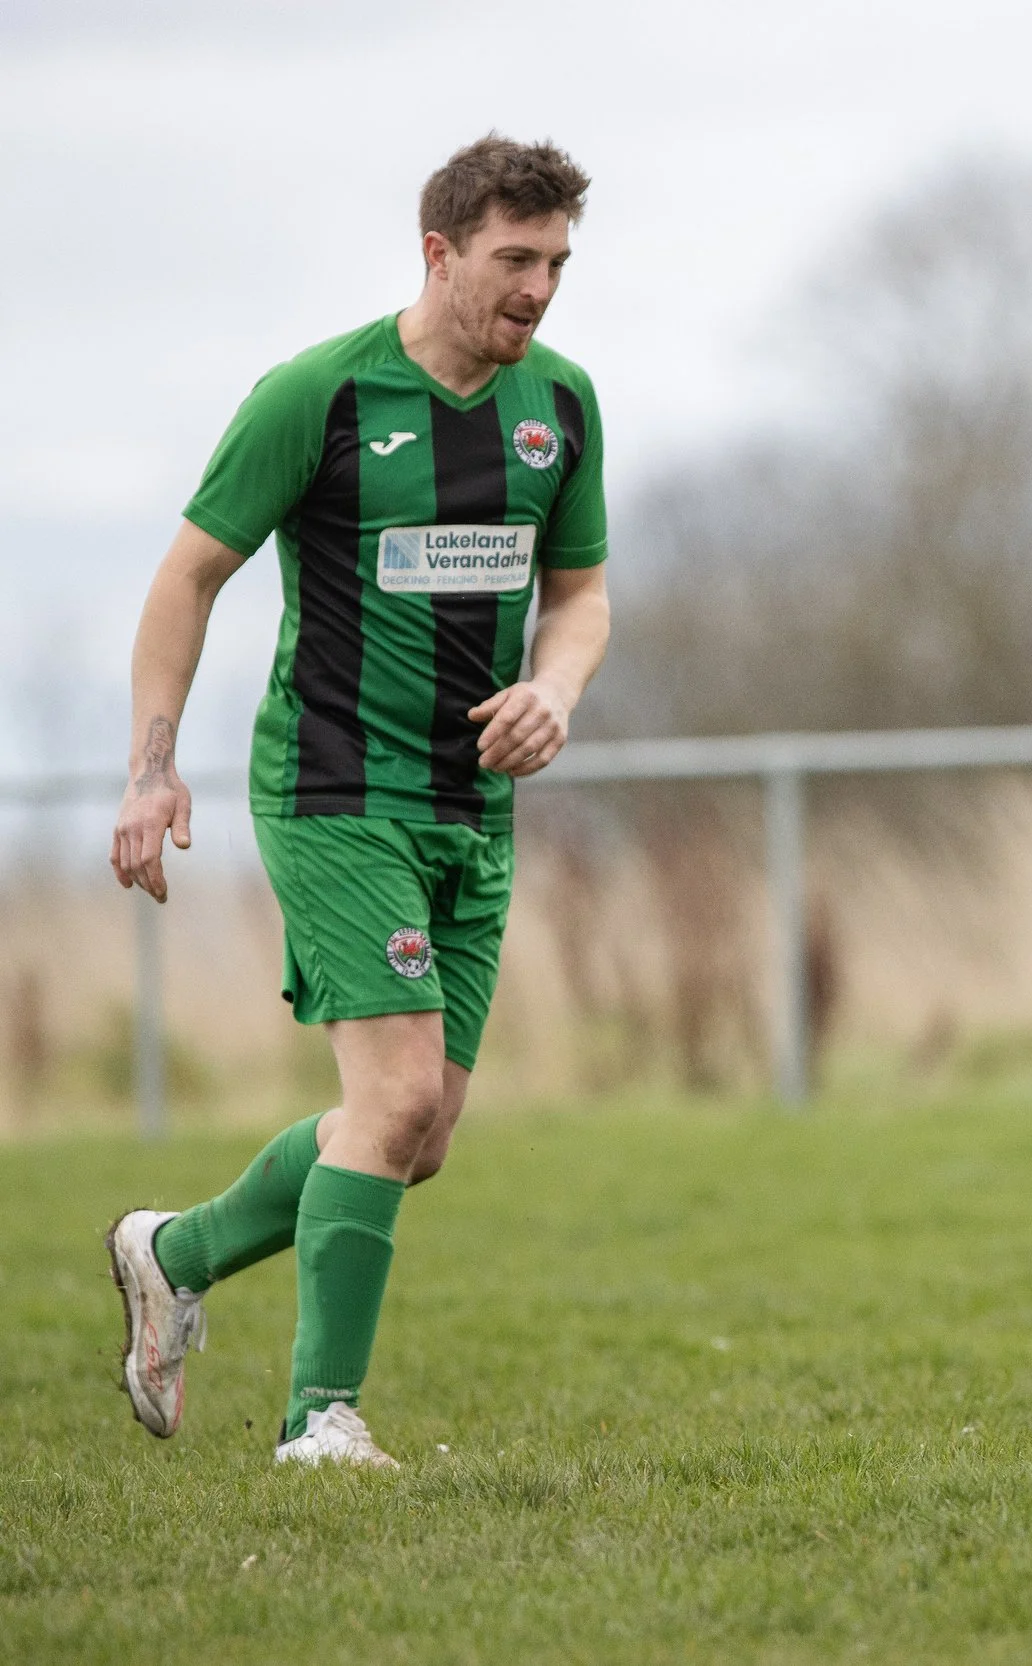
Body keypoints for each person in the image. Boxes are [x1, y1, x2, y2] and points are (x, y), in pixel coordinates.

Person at [104, 135, 611, 1469]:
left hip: (474, 808)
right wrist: (152, 768)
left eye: (558, 261)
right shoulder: (320, 396)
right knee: (388, 1102)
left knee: (417, 1132)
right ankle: (318, 1422)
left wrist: (556, 686)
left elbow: (582, 595)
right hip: (334, 788)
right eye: (515, 260)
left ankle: (176, 1250)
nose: (541, 290)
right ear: (438, 252)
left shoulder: (562, 402)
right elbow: (186, 578)